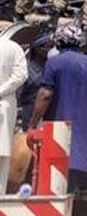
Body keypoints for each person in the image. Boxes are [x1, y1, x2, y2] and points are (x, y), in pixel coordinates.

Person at [30, 25, 87, 192]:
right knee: (82, 171)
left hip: (59, 127)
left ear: (59, 42)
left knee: (59, 174)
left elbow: (45, 95)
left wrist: (33, 122)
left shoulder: (54, 63)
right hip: (86, 127)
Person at [0, 34, 27, 190]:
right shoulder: (13, 47)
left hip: (5, 104)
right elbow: (21, 75)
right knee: (3, 153)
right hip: (6, 104)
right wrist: (2, 90)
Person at [19, 34, 52, 130]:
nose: (51, 50)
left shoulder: (52, 68)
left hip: (51, 116)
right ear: (38, 49)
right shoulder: (26, 70)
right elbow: (18, 96)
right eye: (49, 47)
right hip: (30, 115)